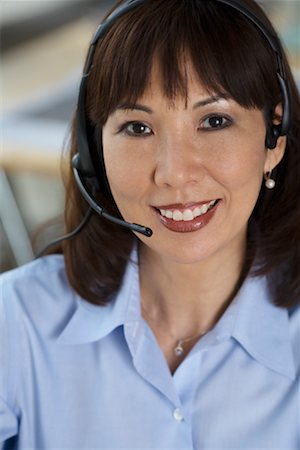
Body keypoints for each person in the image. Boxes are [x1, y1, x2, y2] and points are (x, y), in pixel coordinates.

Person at [1, 0, 299, 448]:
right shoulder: (16, 322)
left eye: (214, 121)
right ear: (94, 148)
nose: (175, 173)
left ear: (273, 139)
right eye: (138, 128)